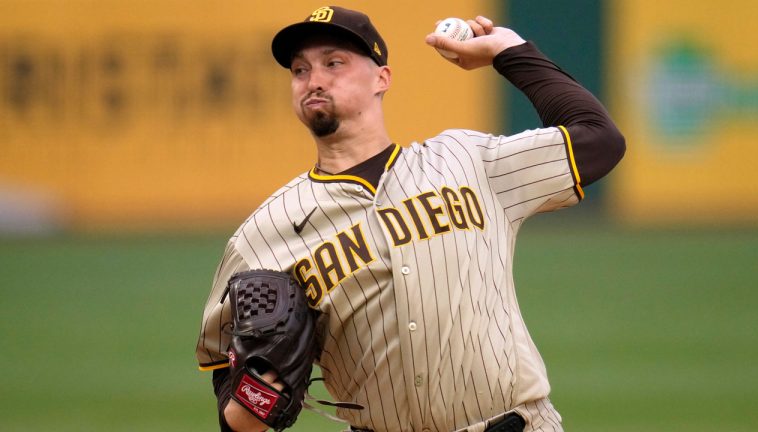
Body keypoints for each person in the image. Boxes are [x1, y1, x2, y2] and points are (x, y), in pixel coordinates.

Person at [195, 5, 625, 432]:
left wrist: (507, 51)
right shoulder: (262, 234)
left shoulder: (468, 161)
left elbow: (599, 140)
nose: (315, 79)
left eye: (334, 63)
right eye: (300, 70)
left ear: (382, 78)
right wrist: (251, 402)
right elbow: (226, 381)